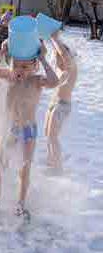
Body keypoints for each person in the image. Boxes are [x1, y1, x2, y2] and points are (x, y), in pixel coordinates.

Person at [0, 40, 59, 221]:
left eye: (25, 66)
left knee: (25, 167)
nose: (20, 70)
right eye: (16, 65)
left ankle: (21, 204)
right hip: (11, 127)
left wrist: (43, 59)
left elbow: (54, 82)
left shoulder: (36, 81)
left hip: (28, 130)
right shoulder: (9, 76)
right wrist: (2, 52)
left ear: (34, 66)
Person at [44, 33, 78, 171]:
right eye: (57, 58)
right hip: (54, 104)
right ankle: (51, 162)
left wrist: (54, 38)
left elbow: (63, 53)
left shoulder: (72, 68)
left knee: (53, 136)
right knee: (47, 134)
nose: (59, 60)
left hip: (63, 105)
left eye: (61, 57)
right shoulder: (60, 70)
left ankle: (57, 167)